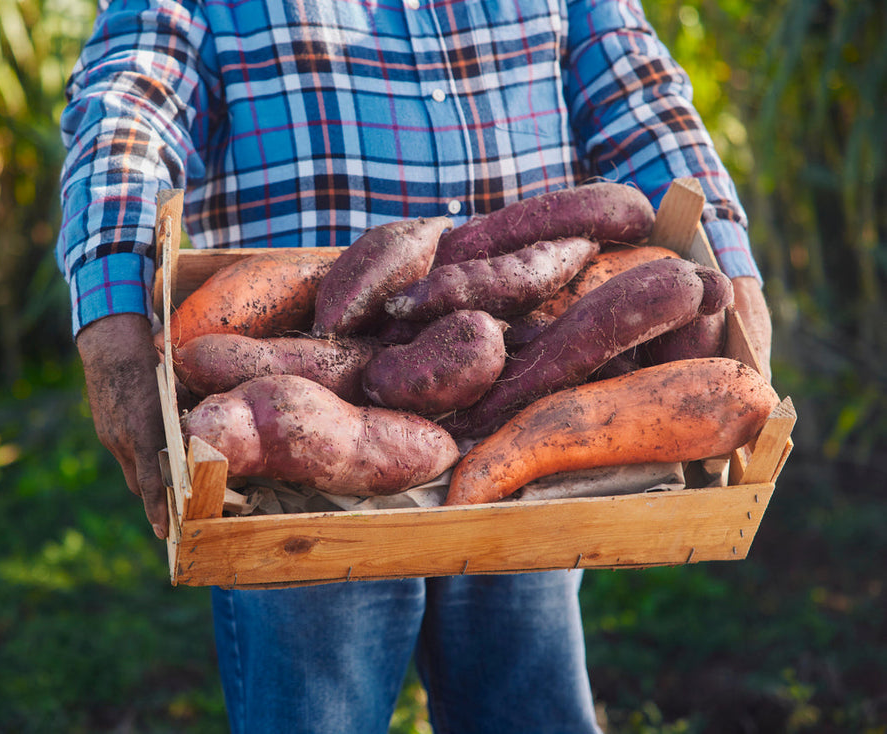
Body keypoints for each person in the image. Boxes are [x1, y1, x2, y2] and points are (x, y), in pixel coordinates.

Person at [56, 0, 773, 731]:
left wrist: (726, 257)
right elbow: (131, 98)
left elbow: (636, 94)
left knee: (529, 709)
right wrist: (111, 317)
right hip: (296, 451)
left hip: (537, 413)